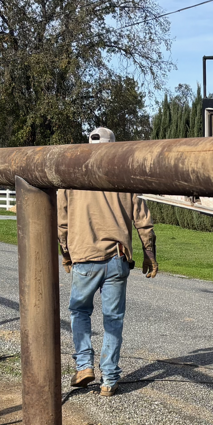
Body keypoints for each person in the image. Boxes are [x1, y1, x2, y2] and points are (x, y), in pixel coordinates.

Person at [57, 126, 158, 397]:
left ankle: (84, 366)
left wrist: (66, 253)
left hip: (85, 257)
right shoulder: (124, 176)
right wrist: (150, 254)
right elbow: (142, 218)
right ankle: (109, 380)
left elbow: (62, 221)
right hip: (117, 257)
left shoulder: (71, 176)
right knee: (113, 319)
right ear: (114, 146)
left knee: (80, 312)